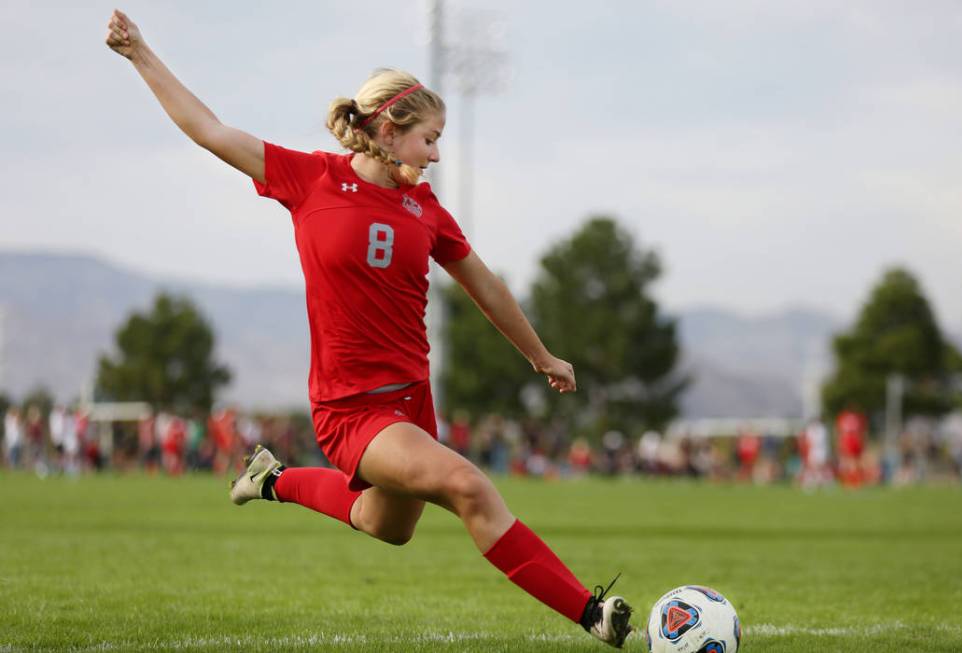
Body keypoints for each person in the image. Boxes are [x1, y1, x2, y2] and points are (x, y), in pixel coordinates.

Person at [106, 10, 633, 647]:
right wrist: (140, 55)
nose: (437, 154)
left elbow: (485, 285)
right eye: (429, 138)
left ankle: (273, 479)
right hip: (352, 409)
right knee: (469, 485)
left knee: (387, 526)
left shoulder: (426, 208)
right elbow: (207, 128)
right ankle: (591, 614)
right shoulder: (309, 178)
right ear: (388, 128)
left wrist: (540, 354)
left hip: (412, 404)